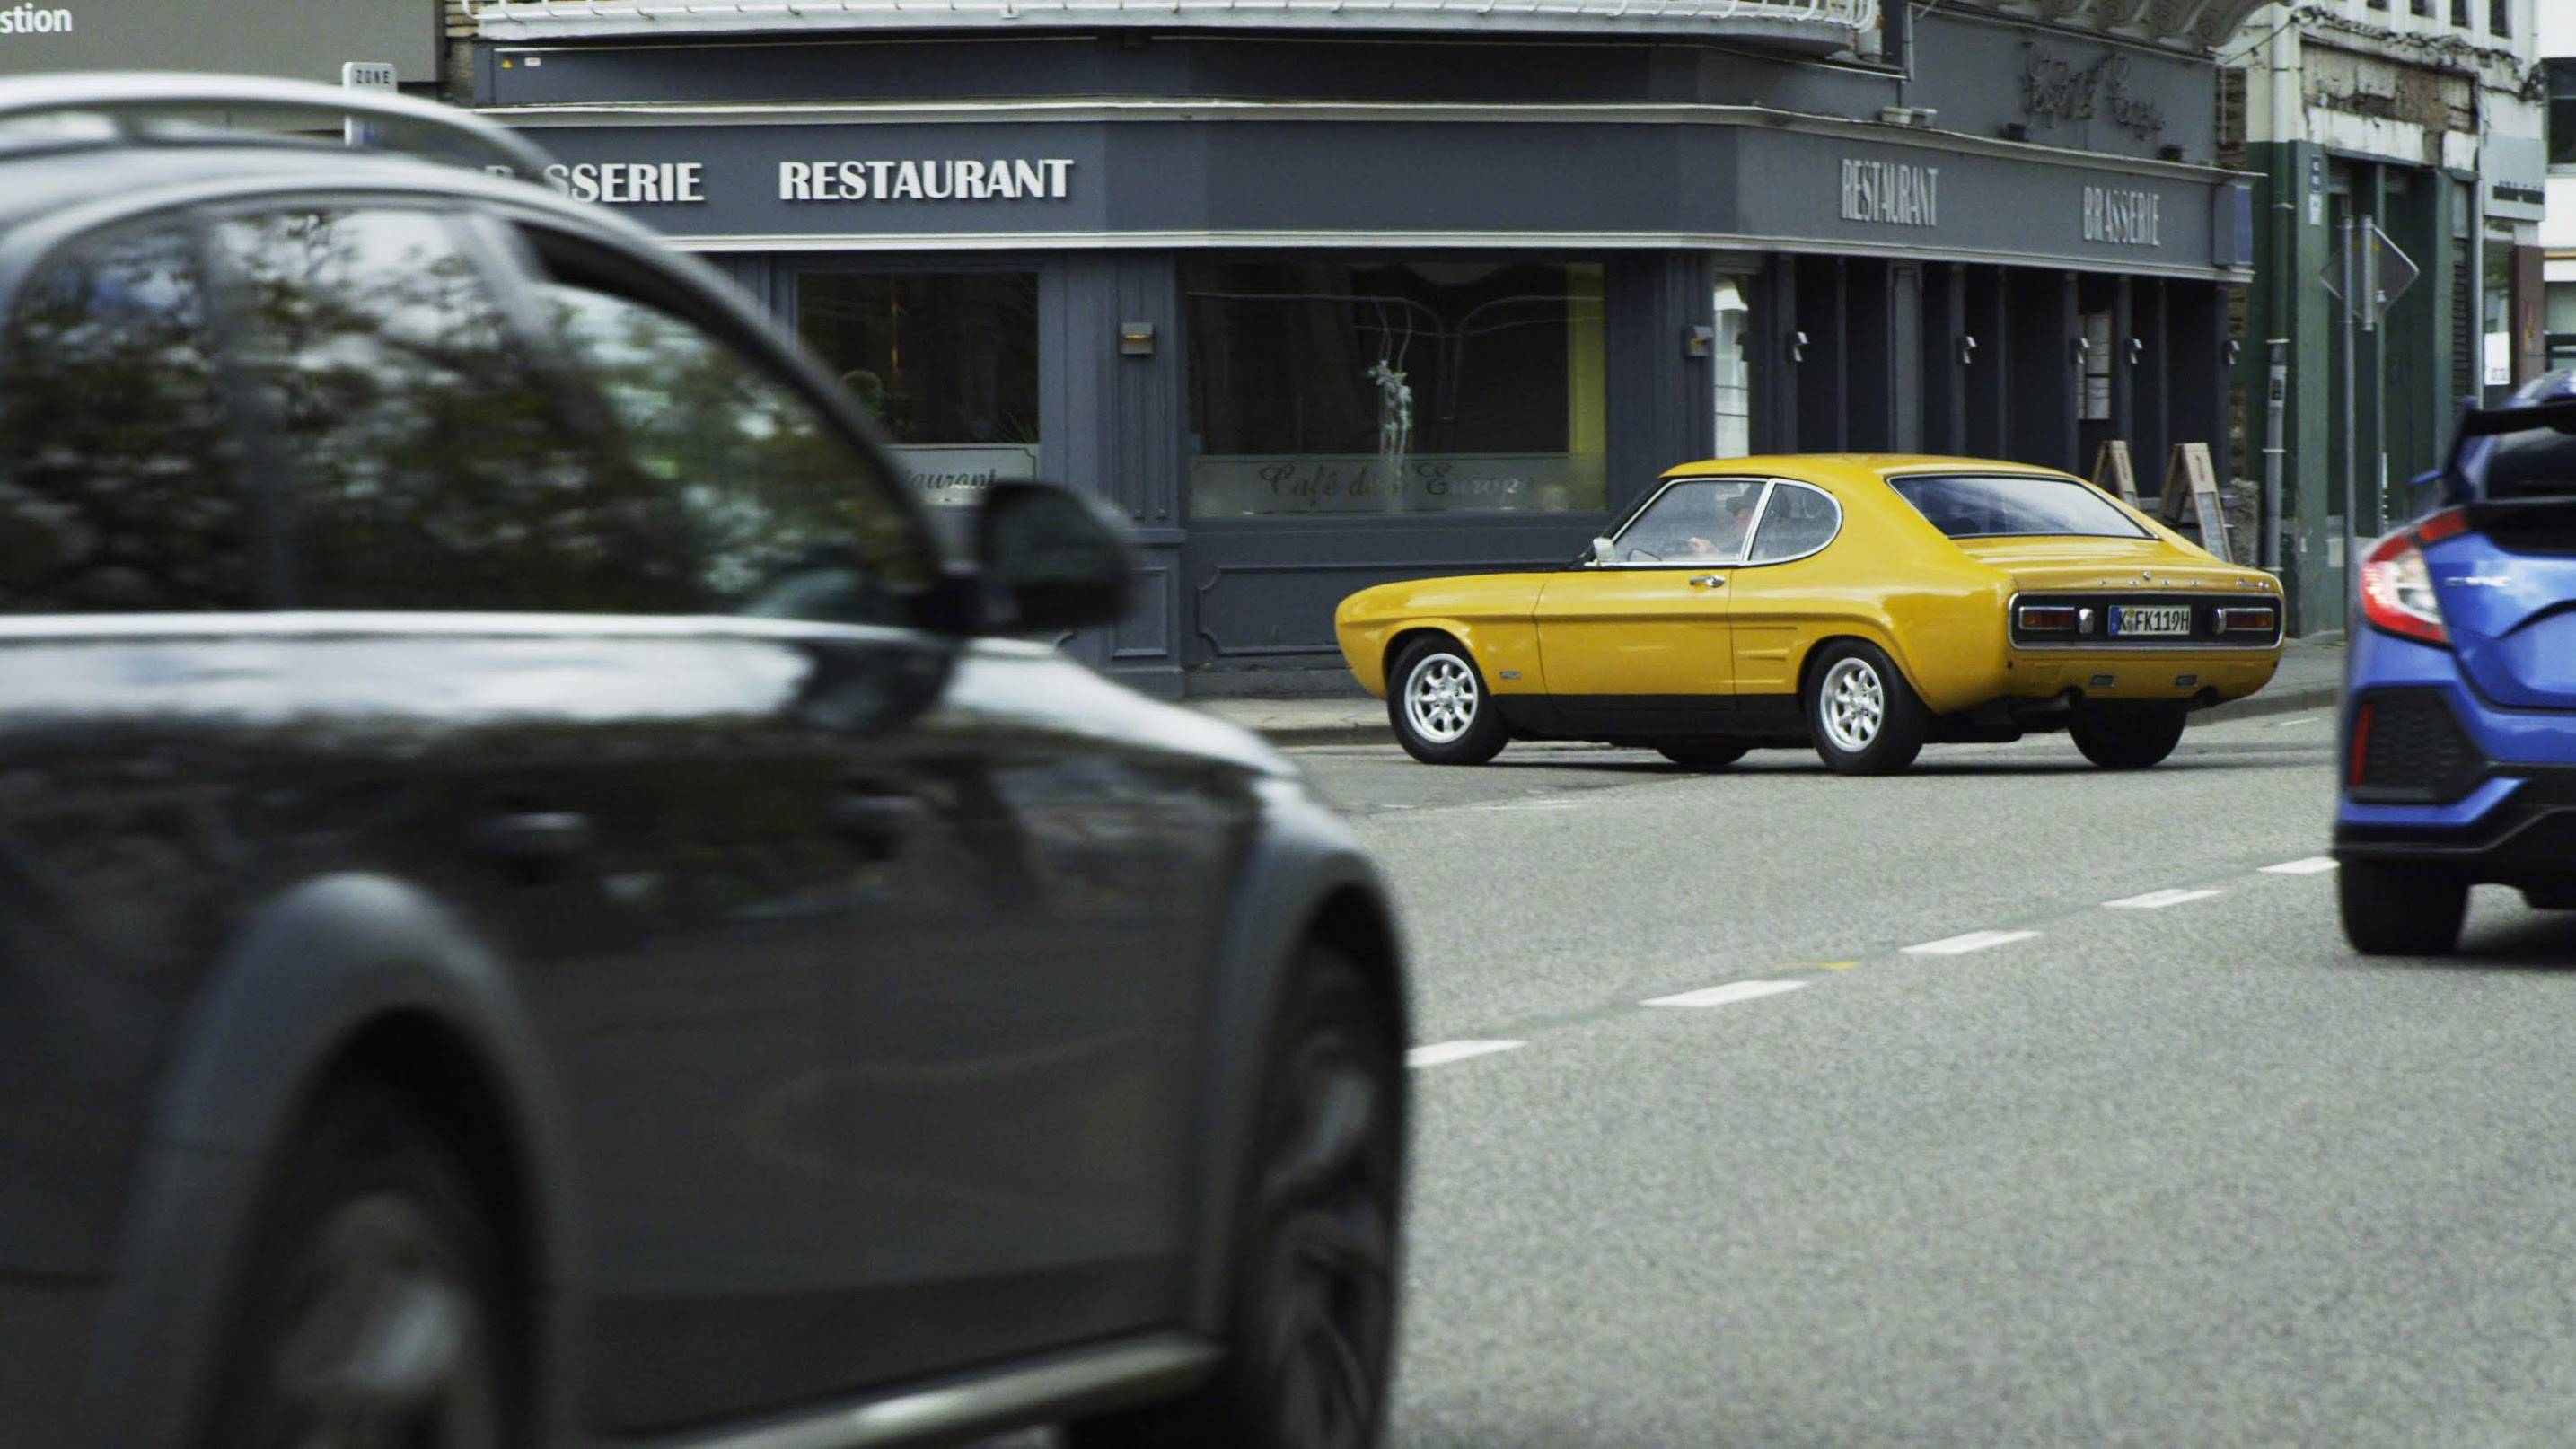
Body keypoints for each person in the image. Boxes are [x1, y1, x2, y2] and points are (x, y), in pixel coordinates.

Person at [1686, 488, 1757, 559]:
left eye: (1745, 517)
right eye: (1736, 515)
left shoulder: (1764, 552)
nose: (1737, 522)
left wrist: (1712, 556)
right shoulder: (1740, 546)